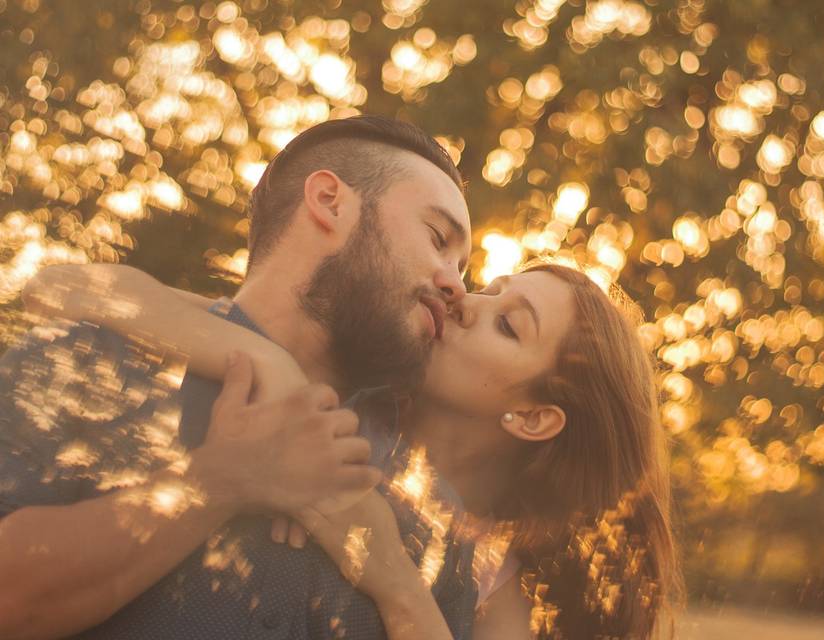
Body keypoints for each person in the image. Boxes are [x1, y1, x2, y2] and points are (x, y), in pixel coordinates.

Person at [19, 258, 683, 638]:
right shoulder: (336, 383)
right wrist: (270, 365)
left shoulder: (490, 585)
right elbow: (63, 286)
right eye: (491, 287)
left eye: (508, 324)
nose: (465, 301)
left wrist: (392, 575)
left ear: (533, 417)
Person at [0, 115, 479, 639]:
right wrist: (218, 483)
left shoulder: (434, 511)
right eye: (438, 239)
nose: (456, 287)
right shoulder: (93, 362)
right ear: (329, 202)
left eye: (462, 268)